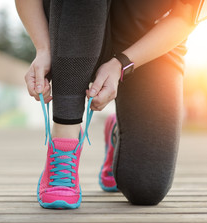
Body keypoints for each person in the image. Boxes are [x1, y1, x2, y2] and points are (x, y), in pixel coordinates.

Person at [15, 0, 202, 208]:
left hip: (150, 40)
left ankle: (118, 132)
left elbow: (186, 16)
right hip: (75, 27)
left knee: (146, 187)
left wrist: (122, 64)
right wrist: (43, 48)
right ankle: (63, 144)